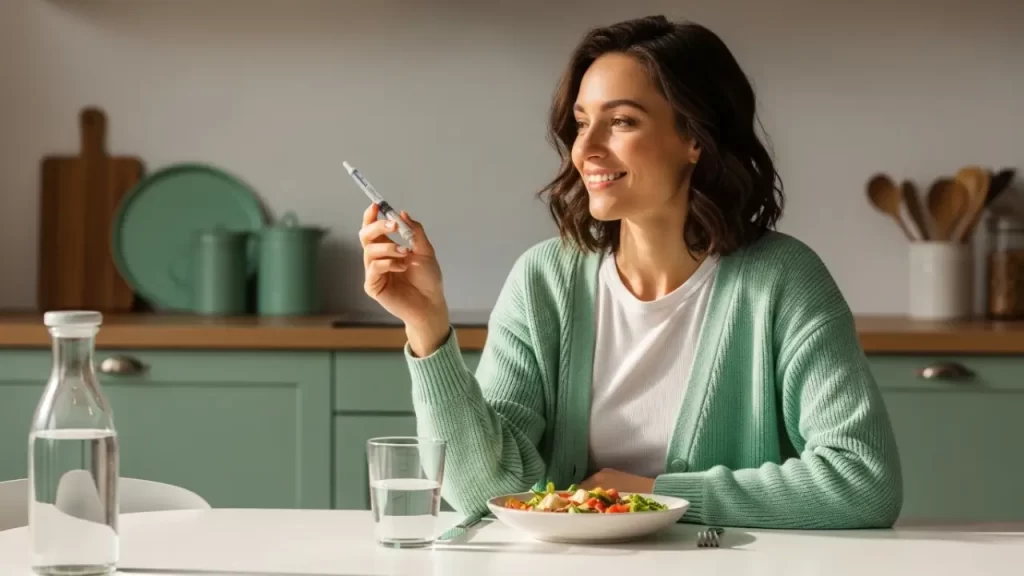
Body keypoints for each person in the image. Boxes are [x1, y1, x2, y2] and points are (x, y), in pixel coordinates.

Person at [358, 15, 902, 529]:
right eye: (580, 124)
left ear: (694, 138)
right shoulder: (544, 280)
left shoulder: (783, 280)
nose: (586, 150)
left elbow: (863, 480)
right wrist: (427, 328)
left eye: (621, 122)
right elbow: (487, 493)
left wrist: (655, 493)